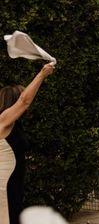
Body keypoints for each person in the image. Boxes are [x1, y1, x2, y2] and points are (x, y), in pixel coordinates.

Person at [0, 62, 56, 224]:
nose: (28, 107)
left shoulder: (13, 123)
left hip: (14, 181)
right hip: (5, 183)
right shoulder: (3, 120)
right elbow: (24, 101)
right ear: (13, 102)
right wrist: (42, 74)